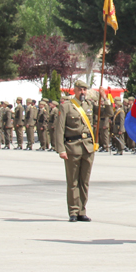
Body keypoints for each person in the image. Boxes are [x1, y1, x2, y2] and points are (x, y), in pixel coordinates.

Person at [56, 81, 98, 222]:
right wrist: (61, 149)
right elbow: (59, 129)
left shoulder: (89, 105)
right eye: (80, 89)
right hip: (72, 147)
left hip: (87, 147)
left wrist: (104, 98)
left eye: (85, 90)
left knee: (84, 181)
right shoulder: (66, 106)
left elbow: (107, 113)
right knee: (73, 181)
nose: (83, 92)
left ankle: (82, 210)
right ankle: (73, 211)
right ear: (75, 90)